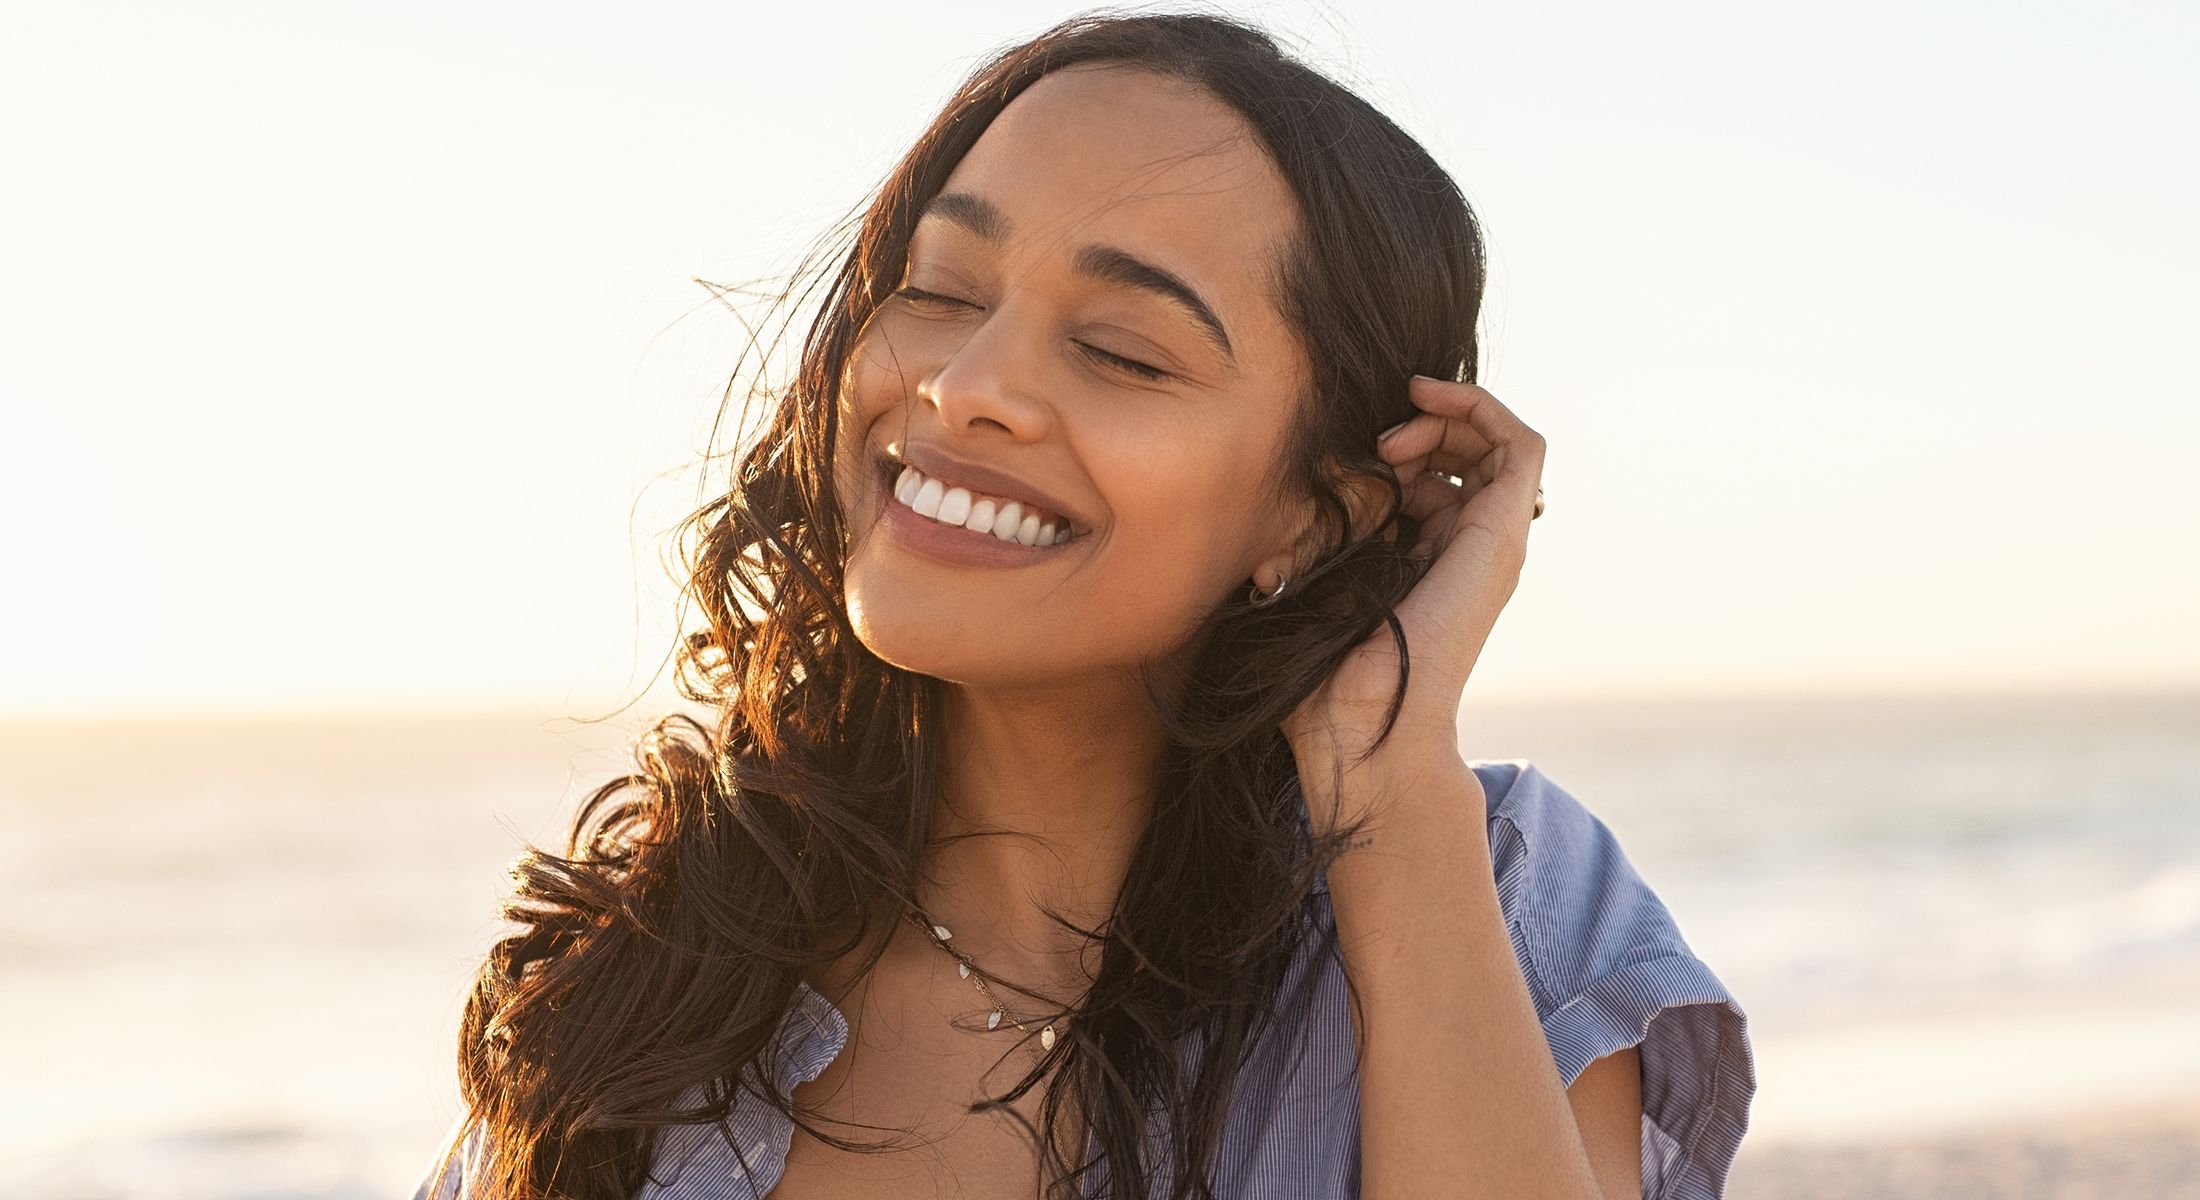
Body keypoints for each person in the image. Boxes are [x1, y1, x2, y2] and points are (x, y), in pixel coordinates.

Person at [413, 10, 1755, 1199]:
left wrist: (1388, 774)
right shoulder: (639, 973)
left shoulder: (1496, 890)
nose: (966, 383)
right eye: (937, 291)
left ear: (1317, 508)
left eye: (1121, 350)